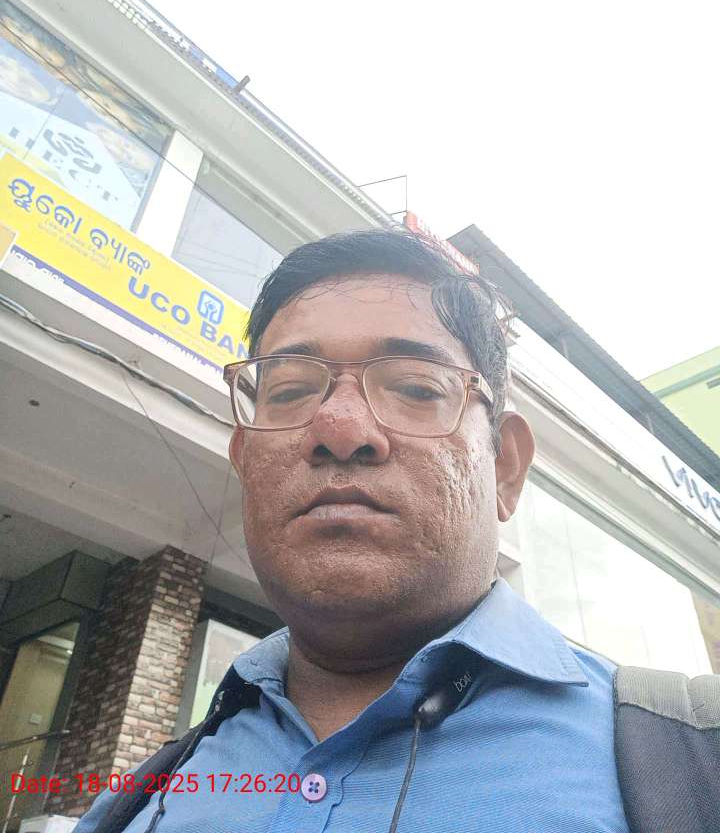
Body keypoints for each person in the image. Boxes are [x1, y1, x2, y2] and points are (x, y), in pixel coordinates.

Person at [76, 228, 632, 832]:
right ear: (245, 461)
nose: (338, 428)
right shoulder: (135, 806)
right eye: (291, 391)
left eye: (416, 387)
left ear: (505, 467)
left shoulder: (677, 764)